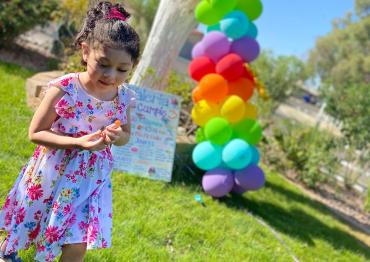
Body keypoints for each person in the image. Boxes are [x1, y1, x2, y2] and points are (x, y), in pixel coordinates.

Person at [0, 1, 140, 261]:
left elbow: (126, 134)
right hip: (52, 171)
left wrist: (118, 137)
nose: (111, 75)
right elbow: (36, 132)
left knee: (77, 241)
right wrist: (79, 143)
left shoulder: (123, 98)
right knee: (29, 221)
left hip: (89, 181)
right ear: (86, 51)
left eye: (122, 69)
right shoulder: (66, 88)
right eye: (104, 64)